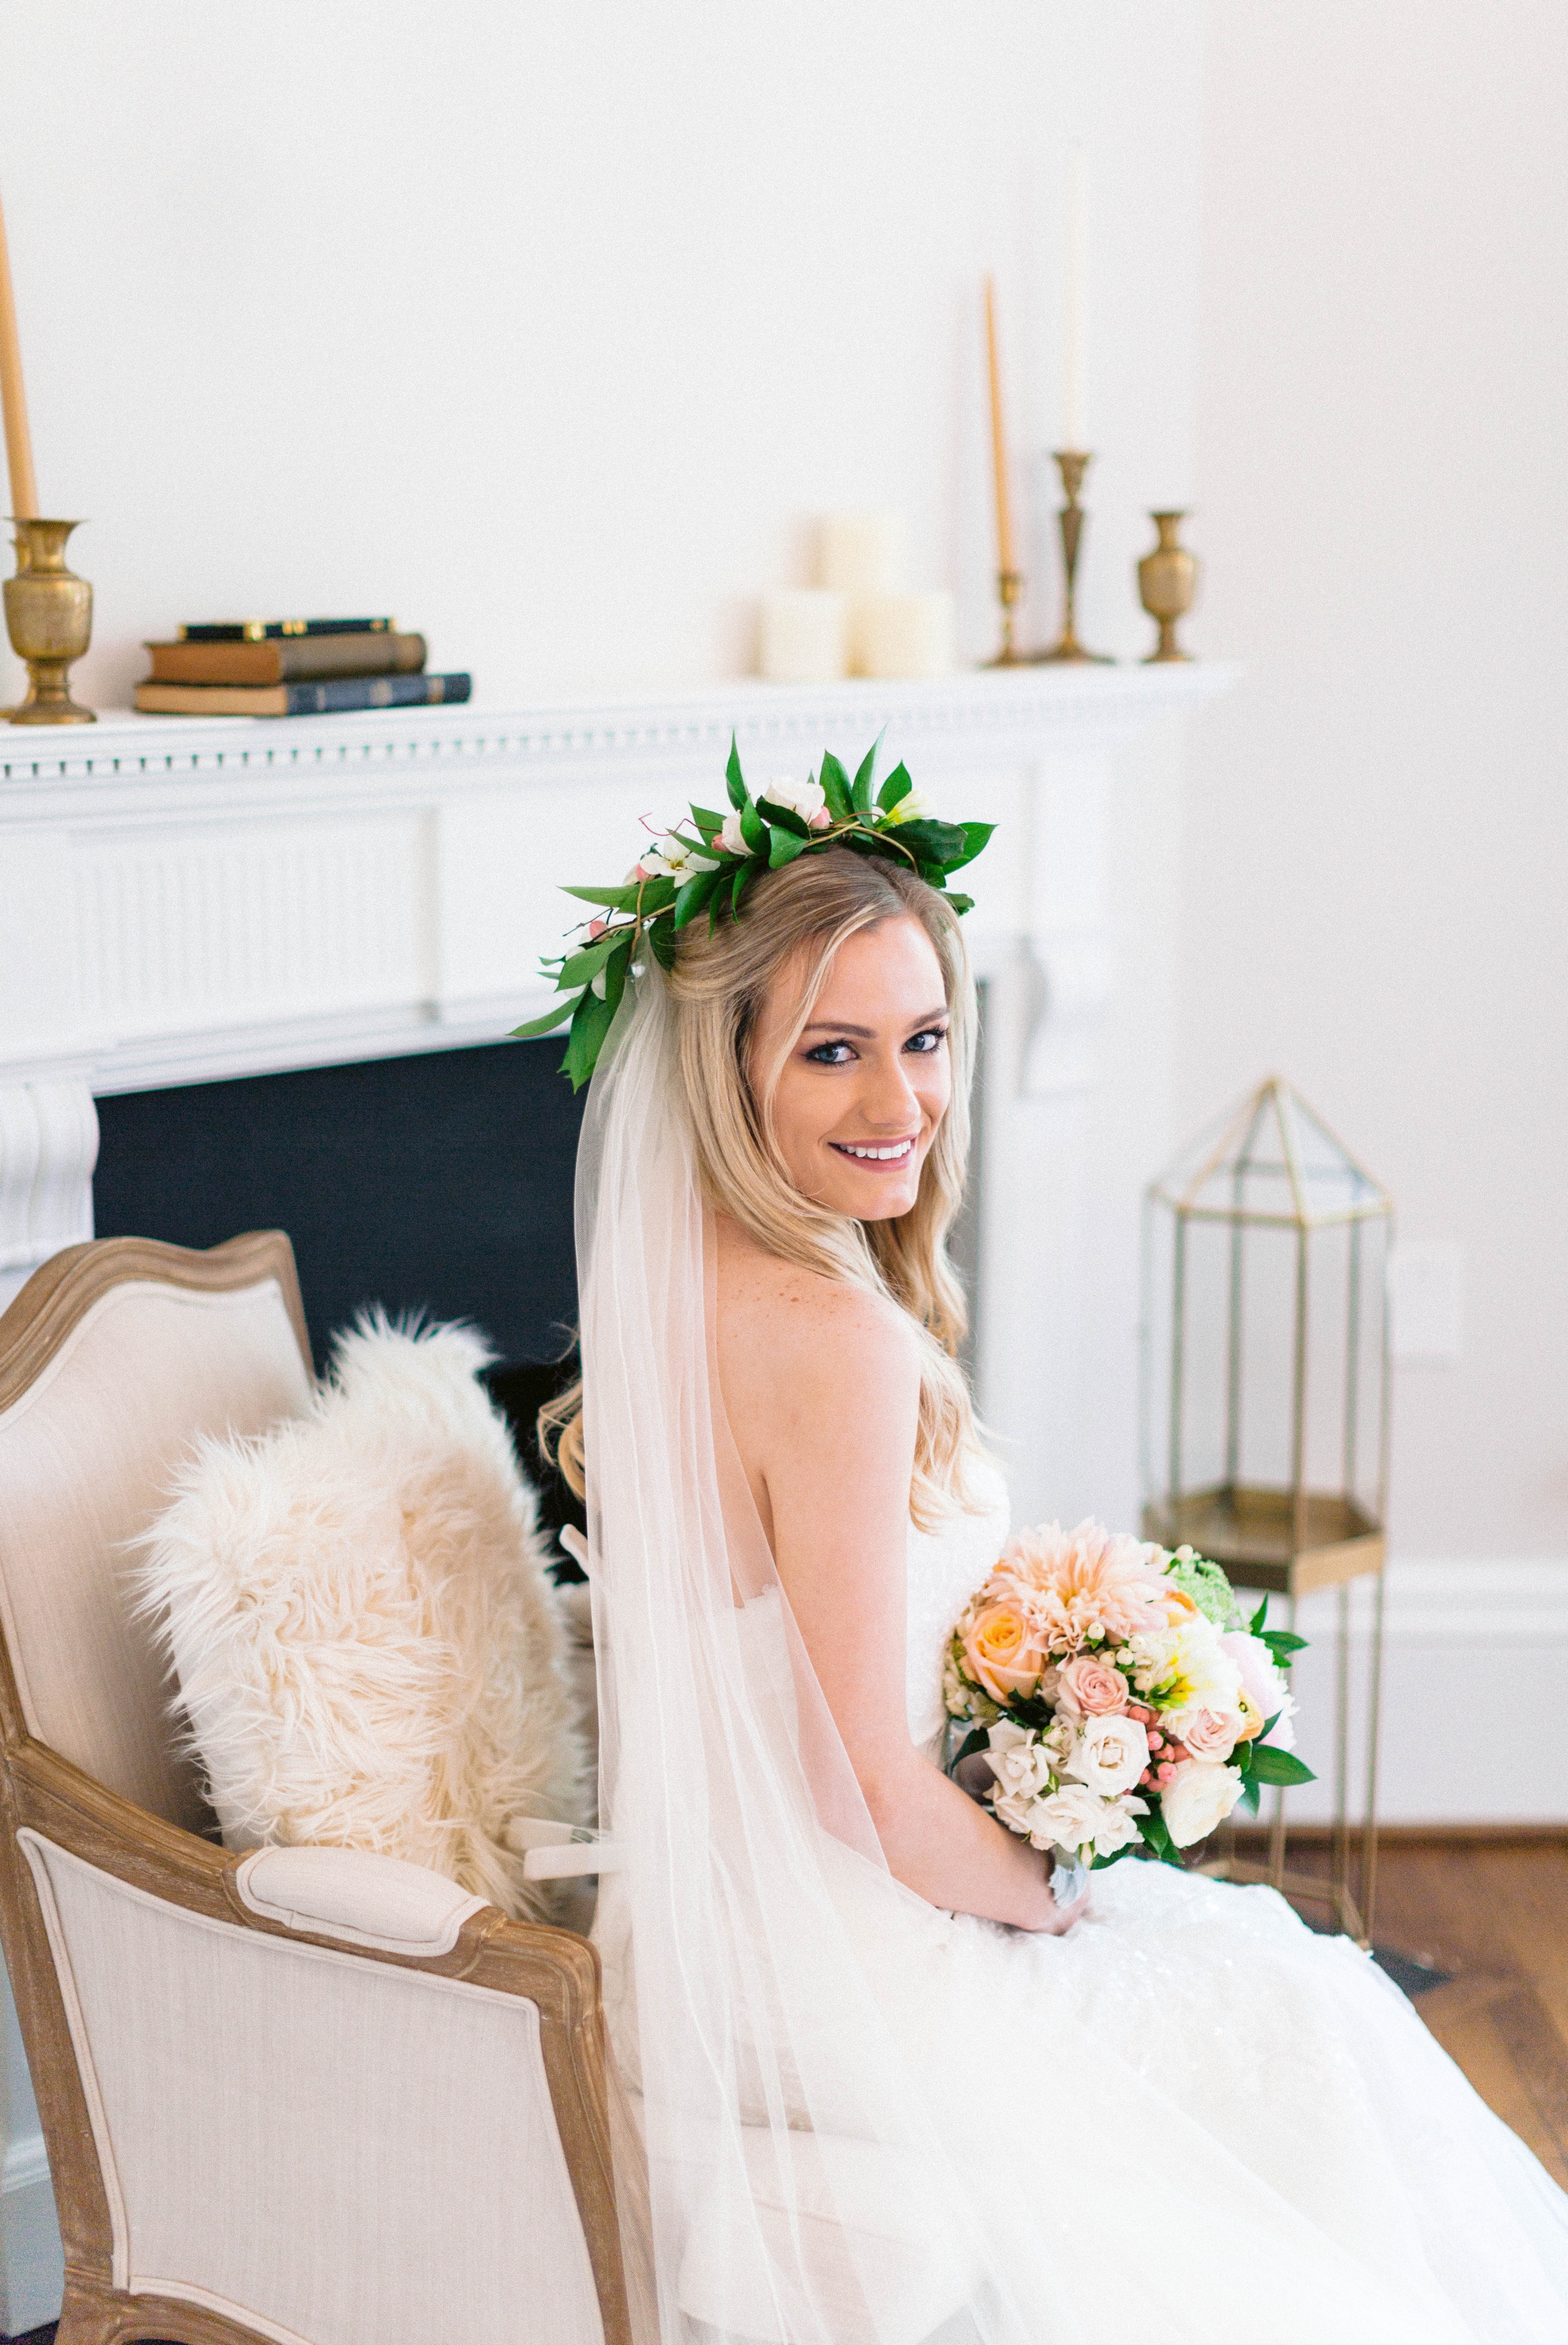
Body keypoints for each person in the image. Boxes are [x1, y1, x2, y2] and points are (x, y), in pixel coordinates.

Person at [544, 818, 1568, 2345]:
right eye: (833, 1050)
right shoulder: (836, 1341)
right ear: (725, 1056)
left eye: (925, 1037)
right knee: (1305, 2016)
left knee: (1285, 1990)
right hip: (840, 1961)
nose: (901, 1101)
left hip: (727, 1922)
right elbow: (857, 1789)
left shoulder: (671, 1278)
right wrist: (1048, 1884)